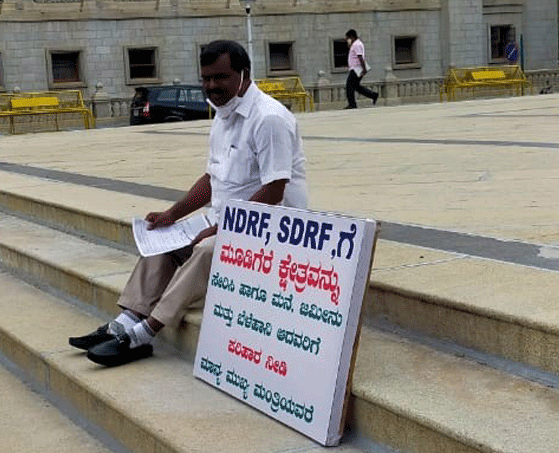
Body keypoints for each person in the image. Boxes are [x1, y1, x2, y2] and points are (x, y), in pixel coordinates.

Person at [69, 40, 308, 367]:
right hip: (227, 223)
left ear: (244, 74)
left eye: (221, 77)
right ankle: (125, 322)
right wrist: (172, 214)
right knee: (161, 240)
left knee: (209, 248)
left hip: (271, 231)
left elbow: (275, 189)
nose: (211, 86)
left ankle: (145, 332)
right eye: (206, 78)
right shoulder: (223, 117)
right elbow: (212, 179)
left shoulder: (269, 119)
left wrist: (219, 228)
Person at [344, 29, 379, 109]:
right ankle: (373, 95)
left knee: (349, 86)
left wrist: (364, 69)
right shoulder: (354, 44)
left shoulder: (357, 45)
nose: (347, 40)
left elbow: (360, 57)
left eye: (348, 38)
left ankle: (352, 104)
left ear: (352, 36)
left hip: (356, 69)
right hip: (355, 68)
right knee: (356, 86)